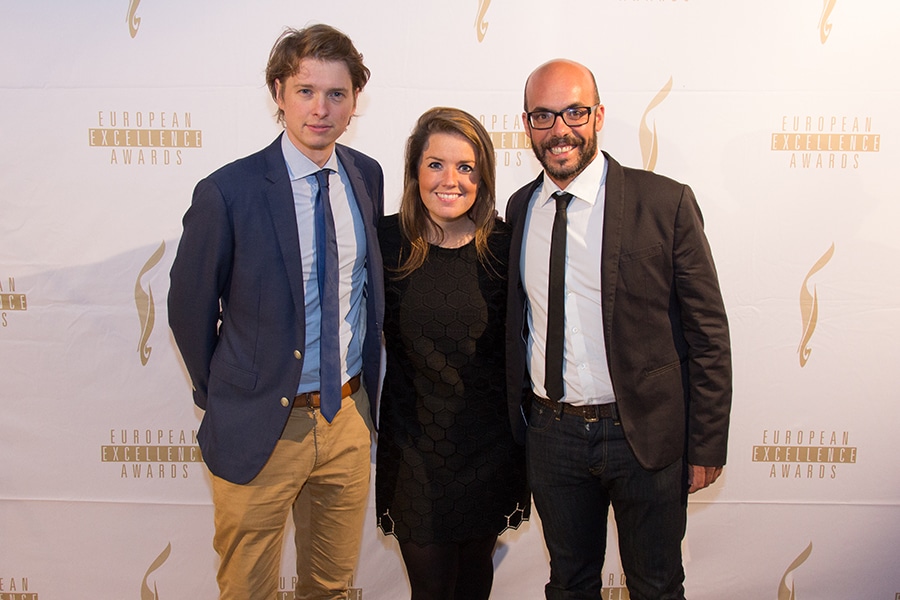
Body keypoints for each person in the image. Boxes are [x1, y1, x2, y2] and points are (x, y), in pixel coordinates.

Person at [167, 24, 384, 600]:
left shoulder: (366, 176)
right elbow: (188, 310)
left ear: (354, 102)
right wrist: (229, 392)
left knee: (331, 588)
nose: (321, 109)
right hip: (259, 425)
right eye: (306, 91)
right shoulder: (227, 192)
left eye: (336, 94)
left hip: (345, 418)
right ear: (279, 94)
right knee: (248, 590)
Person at [505, 59, 732, 599]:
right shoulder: (519, 209)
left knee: (656, 586)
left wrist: (706, 443)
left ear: (599, 116)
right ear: (527, 124)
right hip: (553, 436)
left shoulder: (664, 202)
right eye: (543, 116)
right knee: (569, 585)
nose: (560, 129)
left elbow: (708, 333)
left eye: (574, 112)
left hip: (644, 435)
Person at [376, 107, 530, 600]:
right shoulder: (384, 242)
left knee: (473, 584)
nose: (451, 180)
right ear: (414, 171)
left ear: (483, 177)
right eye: (435, 164)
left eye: (466, 167)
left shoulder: (506, 245)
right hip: (414, 450)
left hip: (488, 447)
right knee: (431, 589)